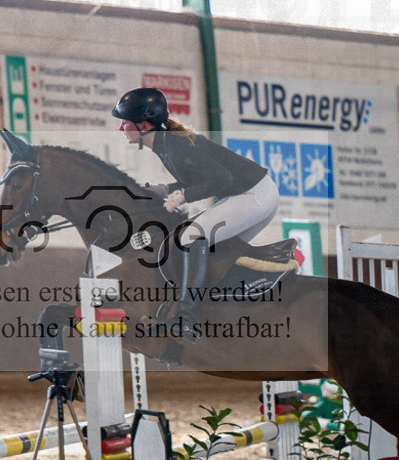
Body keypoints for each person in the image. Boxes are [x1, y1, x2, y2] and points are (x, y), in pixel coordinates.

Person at [111, 87, 279, 343]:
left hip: (254, 195)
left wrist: (183, 196)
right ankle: (221, 313)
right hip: (255, 193)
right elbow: (201, 178)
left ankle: (186, 319)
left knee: (190, 237)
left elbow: (222, 179)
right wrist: (165, 189)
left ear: (143, 125)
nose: (121, 129)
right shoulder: (166, 145)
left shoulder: (175, 147)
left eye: (125, 123)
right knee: (218, 249)